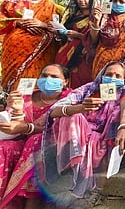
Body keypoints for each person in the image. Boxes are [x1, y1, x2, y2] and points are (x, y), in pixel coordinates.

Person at [40, 61, 125, 206]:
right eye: (109, 74)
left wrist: (124, 126)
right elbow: (54, 110)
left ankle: (85, 168)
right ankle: (76, 161)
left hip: (104, 140)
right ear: (102, 76)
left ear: (124, 79)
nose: (112, 77)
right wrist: (80, 108)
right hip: (79, 137)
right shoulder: (89, 89)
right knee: (72, 116)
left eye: (117, 75)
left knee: (117, 115)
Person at [0, 64, 71, 209]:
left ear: (66, 82)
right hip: (20, 141)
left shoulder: (69, 100)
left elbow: (58, 131)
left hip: (51, 146)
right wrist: (16, 109)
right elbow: (14, 125)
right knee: (4, 147)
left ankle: (28, 203)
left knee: (35, 142)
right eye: (44, 76)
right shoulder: (24, 96)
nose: (48, 79)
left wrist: (27, 127)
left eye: (54, 77)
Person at [0, 0, 64, 92]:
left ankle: (29, 108)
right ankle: (9, 106)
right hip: (13, 53)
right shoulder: (14, 2)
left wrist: (43, 25)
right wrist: (17, 22)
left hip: (41, 54)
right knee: (10, 88)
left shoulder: (57, 9)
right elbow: (1, 20)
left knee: (30, 88)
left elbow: (63, 32)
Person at [55, 0, 96, 88]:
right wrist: (59, 33)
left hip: (83, 55)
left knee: (79, 82)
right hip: (64, 52)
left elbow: (97, 39)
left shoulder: (96, 17)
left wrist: (78, 35)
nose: (81, 0)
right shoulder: (73, 15)